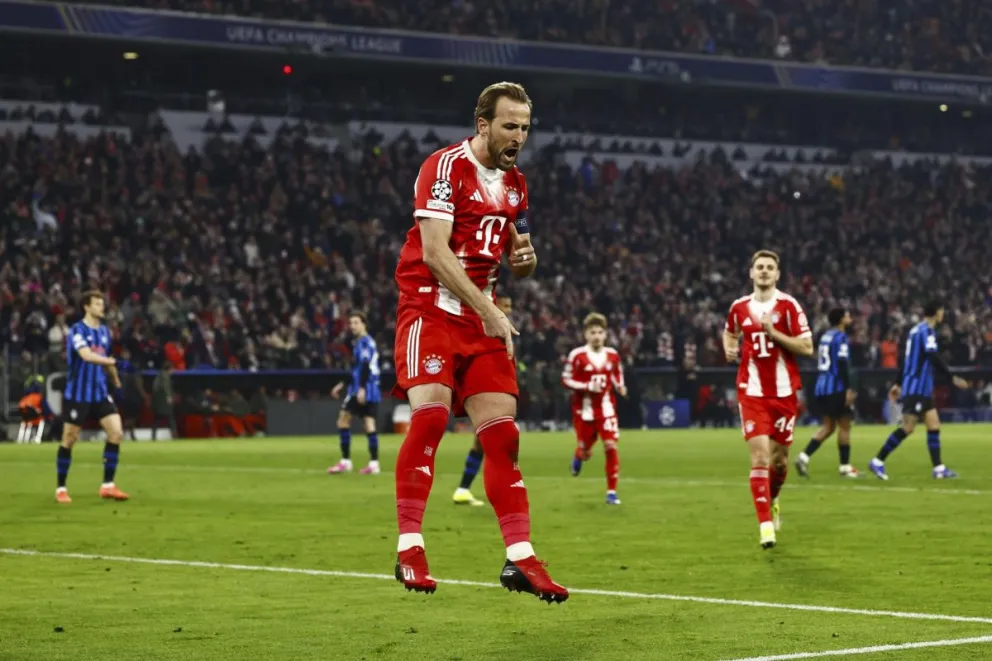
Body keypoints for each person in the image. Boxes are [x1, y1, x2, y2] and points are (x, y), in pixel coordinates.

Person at [390, 81, 568, 602]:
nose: (518, 136)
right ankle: (409, 549)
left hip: (481, 320)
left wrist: (526, 263)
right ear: (483, 124)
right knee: (431, 418)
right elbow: (434, 253)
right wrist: (489, 307)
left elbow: (520, 253)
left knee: (502, 438)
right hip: (430, 309)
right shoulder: (443, 169)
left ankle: (520, 558)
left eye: (526, 128)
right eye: (510, 125)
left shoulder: (516, 186)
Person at [723, 250, 813, 549]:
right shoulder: (739, 307)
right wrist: (730, 348)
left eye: (769, 268)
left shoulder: (789, 306)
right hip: (751, 392)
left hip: (785, 393)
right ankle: (764, 526)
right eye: (759, 267)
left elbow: (807, 347)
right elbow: (729, 332)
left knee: (779, 461)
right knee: (760, 457)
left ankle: (773, 499)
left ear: (777, 274)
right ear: (751, 273)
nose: (763, 272)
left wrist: (774, 333)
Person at [868, 302, 967, 480]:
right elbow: (933, 356)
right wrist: (951, 376)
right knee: (908, 427)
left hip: (919, 387)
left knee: (933, 424)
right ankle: (878, 460)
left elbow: (906, 360)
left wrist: (898, 383)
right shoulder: (926, 331)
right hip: (917, 388)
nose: (943, 314)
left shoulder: (914, 331)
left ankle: (938, 468)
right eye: (942, 310)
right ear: (937, 312)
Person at [56, 290, 129, 504]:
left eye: (102, 304)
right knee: (70, 438)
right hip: (78, 394)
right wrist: (111, 363)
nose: (101, 307)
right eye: (97, 304)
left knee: (116, 432)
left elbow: (107, 359)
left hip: (99, 393)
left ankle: (108, 485)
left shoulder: (105, 332)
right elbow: (86, 355)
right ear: (86, 307)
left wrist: (115, 380)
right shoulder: (77, 331)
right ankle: (61, 488)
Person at [452, 293, 513, 507]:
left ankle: (463, 490)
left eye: (510, 306)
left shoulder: (501, 332)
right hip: (485, 391)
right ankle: (501, 493)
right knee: (496, 441)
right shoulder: (484, 331)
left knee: (483, 443)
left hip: (494, 391)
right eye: (505, 305)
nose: (509, 310)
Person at [562, 313, 627, 504]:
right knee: (586, 451)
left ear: (605, 334)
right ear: (586, 335)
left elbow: (617, 374)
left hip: (606, 409)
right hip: (584, 411)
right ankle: (579, 455)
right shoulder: (577, 355)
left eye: (600, 332)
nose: (597, 336)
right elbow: (565, 379)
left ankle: (611, 493)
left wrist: (621, 386)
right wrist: (587, 386)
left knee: (610, 446)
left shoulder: (613, 355)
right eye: (593, 332)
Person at [796, 308, 861, 478]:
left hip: (822, 386)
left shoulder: (826, 336)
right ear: (840, 320)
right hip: (836, 387)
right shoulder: (841, 337)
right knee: (845, 425)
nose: (850, 318)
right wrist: (849, 388)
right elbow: (842, 363)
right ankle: (845, 468)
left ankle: (803, 457)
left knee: (828, 427)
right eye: (847, 315)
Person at [328, 312, 382, 475]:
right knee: (368, 424)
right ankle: (374, 464)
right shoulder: (363, 342)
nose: (352, 326)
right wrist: (342, 384)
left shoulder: (364, 342)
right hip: (371, 388)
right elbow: (357, 368)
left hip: (363, 388)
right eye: (351, 323)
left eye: (356, 322)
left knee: (343, 421)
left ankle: (345, 462)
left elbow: (365, 366)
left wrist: (362, 388)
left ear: (364, 324)